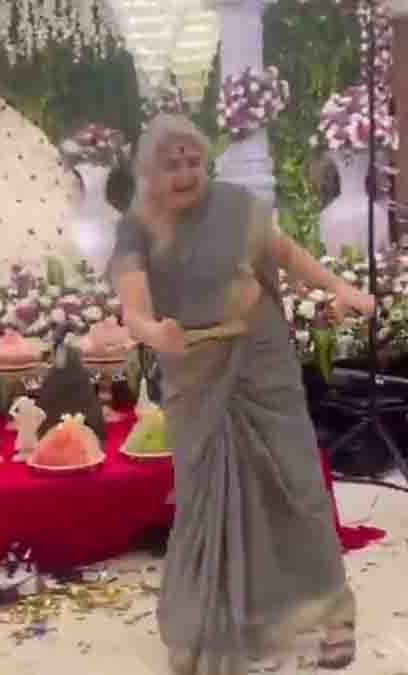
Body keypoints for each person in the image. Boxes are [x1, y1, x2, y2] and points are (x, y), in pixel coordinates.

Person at [108, 114, 373, 675]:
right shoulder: (137, 227)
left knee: (297, 483)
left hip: (262, 360)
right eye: (171, 163)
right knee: (207, 497)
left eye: (193, 160)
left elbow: (287, 254)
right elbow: (134, 308)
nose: (185, 172)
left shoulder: (235, 205)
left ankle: (333, 615)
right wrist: (154, 333)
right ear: (150, 171)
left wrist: (339, 287)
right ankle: (212, 621)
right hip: (193, 371)